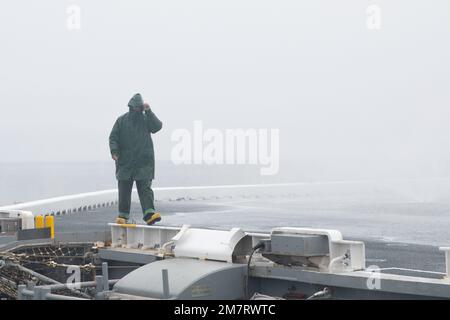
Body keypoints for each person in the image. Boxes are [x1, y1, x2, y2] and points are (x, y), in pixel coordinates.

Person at [109, 93, 163, 225]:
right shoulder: (121, 121)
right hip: (125, 162)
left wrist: (149, 111)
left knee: (145, 188)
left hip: (143, 162)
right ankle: (123, 215)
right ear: (131, 107)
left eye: (140, 108)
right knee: (124, 189)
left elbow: (157, 127)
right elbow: (113, 137)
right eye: (136, 107)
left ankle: (149, 213)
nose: (138, 110)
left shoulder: (146, 119)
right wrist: (114, 151)